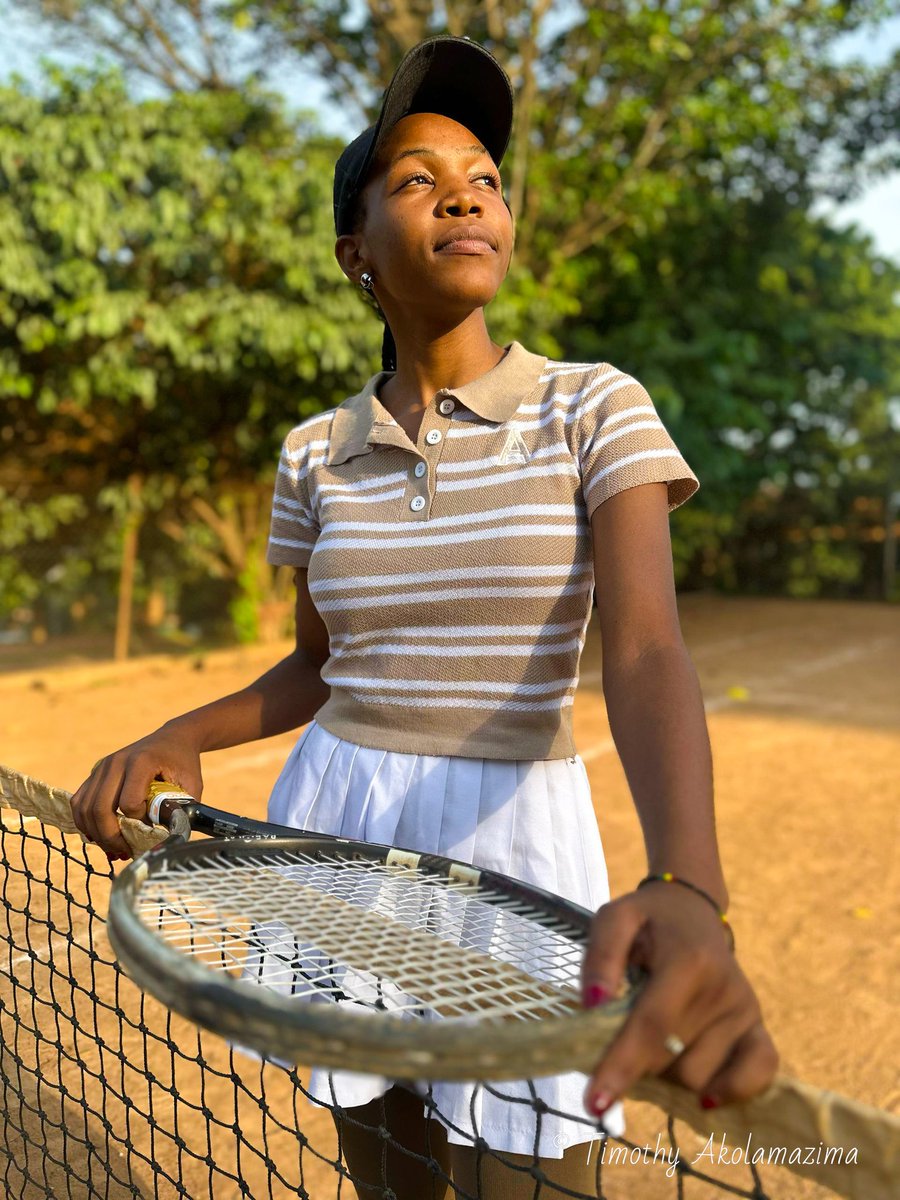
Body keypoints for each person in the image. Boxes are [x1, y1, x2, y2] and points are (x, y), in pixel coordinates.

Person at [72, 35, 778, 1200]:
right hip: (339, 831)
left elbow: (648, 649)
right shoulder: (315, 453)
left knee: (536, 1175)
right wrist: (188, 730)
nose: (466, 190)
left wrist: (689, 885)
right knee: (391, 1177)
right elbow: (319, 668)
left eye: (485, 177)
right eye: (417, 177)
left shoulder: (593, 406)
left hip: (518, 846)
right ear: (358, 254)